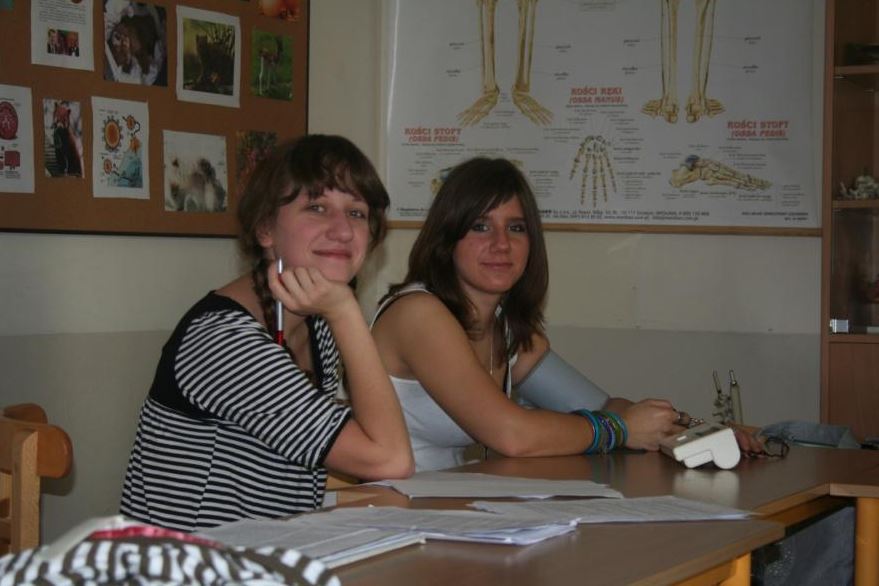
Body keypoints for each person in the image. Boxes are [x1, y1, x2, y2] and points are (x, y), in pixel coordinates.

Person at [371, 157, 762, 471]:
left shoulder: (506, 328)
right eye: (480, 226)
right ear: (447, 238)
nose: (501, 244)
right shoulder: (418, 314)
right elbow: (511, 434)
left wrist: (699, 432)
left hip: (448, 504)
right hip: (391, 513)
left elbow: (603, 407)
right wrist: (621, 429)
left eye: (516, 228)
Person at [121, 135, 414, 531]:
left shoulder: (317, 324)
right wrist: (346, 312)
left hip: (271, 549)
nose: (344, 230)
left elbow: (364, 447)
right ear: (265, 229)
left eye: (357, 213)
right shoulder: (224, 341)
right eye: (317, 207)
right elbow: (390, 460)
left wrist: (339, 315)